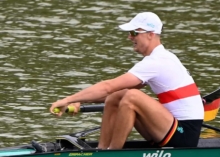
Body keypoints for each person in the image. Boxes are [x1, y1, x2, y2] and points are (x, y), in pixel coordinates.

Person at [50, 12, 204, 149]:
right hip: (171, 127)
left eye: (134, 32)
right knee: (118, 95)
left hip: (184, 133)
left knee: (131, 97)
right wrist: (78, 100)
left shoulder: (158, 61)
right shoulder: (160, 59)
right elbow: (112, 91)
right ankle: (103, 150)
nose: (130, 37)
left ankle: (114, 153)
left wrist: (67, 99)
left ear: (150, 34)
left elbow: (108, 86)